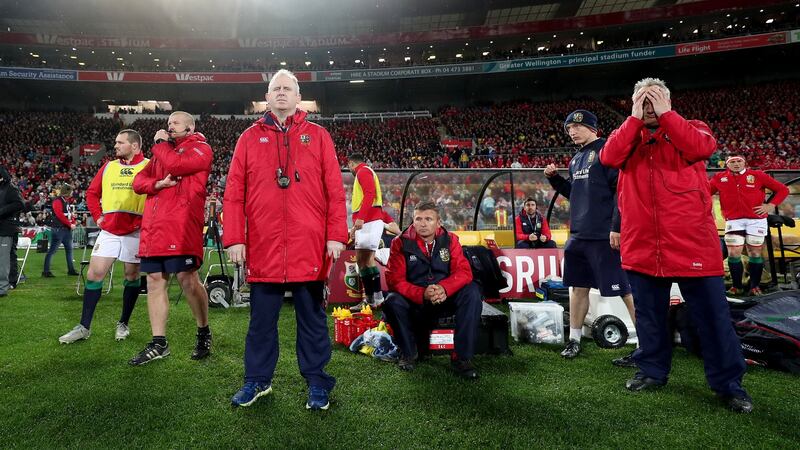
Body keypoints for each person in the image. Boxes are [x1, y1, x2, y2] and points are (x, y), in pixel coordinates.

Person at [600, 77, 752, 413]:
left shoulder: (692, 128)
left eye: (656, 100)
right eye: (643, 100)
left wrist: (668, 116)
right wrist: (634, 117)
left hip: (692, 243)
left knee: (713, 318)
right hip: (642, 244)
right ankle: (652, 370)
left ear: (668, 101)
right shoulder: (627, 135)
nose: (650, 107)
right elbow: (609, 158)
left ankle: (728, 385)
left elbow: (700, 149)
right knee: (650, 317)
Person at [224, 69, 347, 410]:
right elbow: (233, 193)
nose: (281, 93)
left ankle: (317, 383)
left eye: (287, 89)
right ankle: (257, 381)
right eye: (275, 88)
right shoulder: (248, 138)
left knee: (312, 320)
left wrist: (336, 234)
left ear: (297, 96)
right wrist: (235, 238)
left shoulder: (319, 136)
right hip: (264, 245)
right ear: (267, 96)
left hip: (308, 243)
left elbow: (335, 192)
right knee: (261, 322)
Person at [544, 110, 636, 366]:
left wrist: (616, 227)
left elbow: (621, 192)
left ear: (592, 128)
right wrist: (555, 180)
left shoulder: (607, 151)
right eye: (568, 128)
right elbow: (575, 193)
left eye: (576, 126)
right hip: (579, 235)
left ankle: (648, 345)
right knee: (577, 288)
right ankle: (574, 340)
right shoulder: (576, 159)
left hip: (604, 235)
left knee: (625, 289)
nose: (571, 131)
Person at [129, 111, 213, 366]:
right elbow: (138, 182)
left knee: (188, 280)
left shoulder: (201, 149)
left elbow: (177, 165)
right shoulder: (162, 152)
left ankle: (203, 331)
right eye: (168, 123)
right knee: (154, 281)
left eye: (175, 123)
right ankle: (159, 342)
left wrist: (159, 145)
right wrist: (157, 185)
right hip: (155, 227)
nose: (170, 126)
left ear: (190, 127)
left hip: (182, 225)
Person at [58, 130, 148, 344]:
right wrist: (98, 217)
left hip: (136, 231)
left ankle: (123, 323)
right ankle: (84, 327)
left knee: (132, 276)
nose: (115, 146)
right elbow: (91, 193)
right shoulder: (108, 166)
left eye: (120, 142)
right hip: (109, 230)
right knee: (94, 274)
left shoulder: (148, 165)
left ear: (134, 146)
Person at [382, 201, 482, 379]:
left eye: (428, 219)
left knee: (472, 291)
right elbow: (394, 280)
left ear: (439, 222)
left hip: (445, 298)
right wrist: (421, 294)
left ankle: (462, 357)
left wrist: (444, 288)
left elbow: (464, 272)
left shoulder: (451, 239)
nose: (422, 223)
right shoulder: (400, 243)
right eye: (418, 219)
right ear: (412, 221)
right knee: (391, 300)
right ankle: (409, 353)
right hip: (416, 303)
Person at [709, 154, 789, 296]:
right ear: (727, 164)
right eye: (732, 161)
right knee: (734, 254)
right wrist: (709, 207)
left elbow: (783, 190)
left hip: (756, 221)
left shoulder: (757, 175)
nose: (736, 164)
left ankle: (754, 286)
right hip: (734, 221)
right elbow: (705, 193)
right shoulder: (719, 178)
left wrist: (770, 205)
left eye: (739, 161)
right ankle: (737, 286)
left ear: (744, 162)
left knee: (754, 253)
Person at [347, 153, 385, 311]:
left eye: (348, 166)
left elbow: (370, 194)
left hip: (369, 221)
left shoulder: (363, 171)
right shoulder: (367, 171)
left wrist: (361, 218)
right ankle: (373, 299)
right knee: (363, 261)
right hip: (368, 221)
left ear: (351, 163)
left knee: (366, 260)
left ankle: (376, 298)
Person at [42, 184, 78, 277]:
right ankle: (46, 271)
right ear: (67, 192)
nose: (72, 193)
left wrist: (73, 221)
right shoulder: (58, 201)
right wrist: (70, 224)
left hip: (65, 229)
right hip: (59, 229)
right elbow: (59, 215)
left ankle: (71, 270)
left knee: (69, 250)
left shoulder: (65, 201)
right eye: (71, 191)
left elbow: (68, 215)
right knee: (52, 251)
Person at [0, 166, 24, 297]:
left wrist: (1, 211)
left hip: (6, 228)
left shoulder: (10, 188)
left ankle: (3, 287)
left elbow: (20, 204)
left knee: (4, 259)